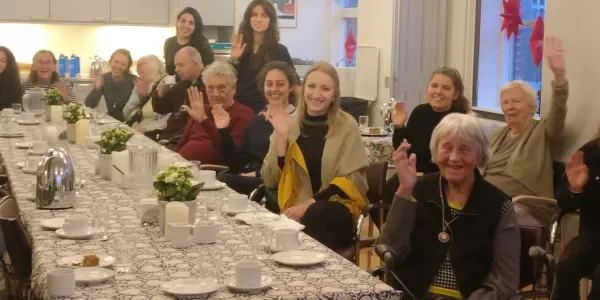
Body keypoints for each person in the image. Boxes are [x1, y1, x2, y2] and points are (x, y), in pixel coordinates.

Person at [378, 113, 520, 300]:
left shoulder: (498, 204)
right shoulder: (417, 189)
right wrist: (405, 189)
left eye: (464, 149)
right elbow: (390, 248)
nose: (454, 157)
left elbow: (505, 279)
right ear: (436, 152)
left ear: (480, 155)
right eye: (447, 147)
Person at [261, 62, 369, 253]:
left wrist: (307, 205)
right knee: (321, 236)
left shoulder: (347, 125)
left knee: (316, 214)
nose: (317, 95)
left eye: (325, 89)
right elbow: (270, 179)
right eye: (311, 86)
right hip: (296, 208)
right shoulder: (289, 122)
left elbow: (351, 181)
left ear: (334, 94)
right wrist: (282, 138)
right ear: (303, 89)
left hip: (338, 207)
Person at [482, 36, 568, 228]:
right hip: (489, 202)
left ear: (531, 106)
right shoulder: (496, 135)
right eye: (506, 102)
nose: (510, 107)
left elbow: (559, 112)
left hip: (528, 207)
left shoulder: (543, 131)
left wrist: (559, 77)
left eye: (517, 101)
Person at [378, 67, 470, 225]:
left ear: (455, 94)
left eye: (446, 88)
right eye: (434, 86)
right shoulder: (420, 112)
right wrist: (399, 126)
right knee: (384, 191)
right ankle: (392, 239)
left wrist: (425, 175)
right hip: (415, 174)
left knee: (399, 188)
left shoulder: (460, 119)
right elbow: (405, 150)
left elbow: (457, 159)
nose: (438, 91)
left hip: (443, 178)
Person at [216, 61, 298, 196]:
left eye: (280, 84)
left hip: (276, 184)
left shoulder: (296, 120)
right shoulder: (257, 120)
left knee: (223, 181)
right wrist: (224, 130)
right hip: (250, 180)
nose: (274, 89)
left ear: (290, 87)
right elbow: (237, 163)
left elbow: (292, 165)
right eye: (269, 84)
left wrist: (256, 173)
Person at [176, 61, 254, 164]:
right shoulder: (201, 110)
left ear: (233, 88)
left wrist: (204, 121)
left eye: (221, 88)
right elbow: (182, 143)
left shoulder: (244, 115)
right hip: (179, 167)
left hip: (208, 172)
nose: (215, 94)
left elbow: (230, 154)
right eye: (210, 88)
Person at [552, 137, 600, 300]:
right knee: (564, 267)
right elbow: (564, 201)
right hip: (592, 236)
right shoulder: (590, 152)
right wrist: (575, 188)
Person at [229, 0, 296, 113]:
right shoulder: (241, 47)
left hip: (267, 110)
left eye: (264, 15)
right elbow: (229, 82)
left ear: (271, 20)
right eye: (254, 15)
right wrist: (233, 59)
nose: (259, 19)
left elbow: (293, 83)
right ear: (248, 19)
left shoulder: (280, 51)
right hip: (239, 108)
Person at [152, 47, 206, 148]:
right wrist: (160, 93)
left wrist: (170, 140)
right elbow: (161, 108)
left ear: (195, 63)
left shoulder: (209, 85)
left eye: (180, 65)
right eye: (176, 65)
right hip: (168, 137)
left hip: (184, 140)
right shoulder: (183, 84)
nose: (176, 70)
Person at [122, 55, 169, 140]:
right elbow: (125, 113)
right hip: (132, 131)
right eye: (137, 67)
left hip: (150, 135)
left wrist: (148, 129)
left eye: (141, 65)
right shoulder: (140, 84)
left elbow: (168, 119)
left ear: (152, 66)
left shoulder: (166, 83)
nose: (137, 70)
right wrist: (140, 98)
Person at [85, 48, 135, 122]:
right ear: (110, 62)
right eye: (116, 61)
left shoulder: (133, 81)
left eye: (123, 64)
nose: (118, 66)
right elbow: (89, 104)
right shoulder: (104, 78)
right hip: (111, 121)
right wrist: (97, 88)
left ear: (127, 67)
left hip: (129, 122)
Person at [164, 7, 214, 76]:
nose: (186, 26)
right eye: (183, 21)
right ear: (177, 22)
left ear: (195, 26)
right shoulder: (169, 43)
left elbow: (210, 70)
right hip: (173, 85)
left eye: (191, 23)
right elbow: (168, 70)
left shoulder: (202, 43)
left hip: (196, 86)